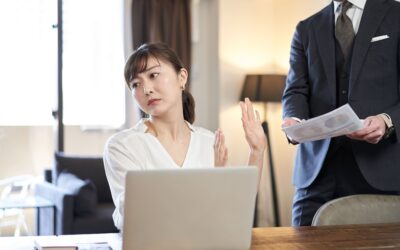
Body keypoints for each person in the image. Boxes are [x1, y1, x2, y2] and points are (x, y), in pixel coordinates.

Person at [104, 42, 266, 230]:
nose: (146, 89)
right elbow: (134, 217)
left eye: (153, 75)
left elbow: (237, 208)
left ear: (182, 77)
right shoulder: (123, 146)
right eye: (135, 84)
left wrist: (257, 151)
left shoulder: (209, 142)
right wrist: (212, 189)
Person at [282, 0, 400, 226]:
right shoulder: (306, 28)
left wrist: (387, 121)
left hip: (381, 170)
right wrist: (293, 120)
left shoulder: (396, 15)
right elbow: (295, 90)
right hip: (316, 174)